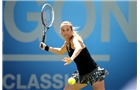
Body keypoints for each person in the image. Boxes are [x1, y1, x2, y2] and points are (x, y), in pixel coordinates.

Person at [39, 21, 109, 90]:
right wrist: (46, 48)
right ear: (61, 32)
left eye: (67, 30)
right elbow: (60, 51)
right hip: (81, 74)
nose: (65, 32)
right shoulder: (66, 43)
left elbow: (78, 47)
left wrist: (71, 58)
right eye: (63, 30)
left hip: (93, 72)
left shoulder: (75, 40)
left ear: (71, 31)